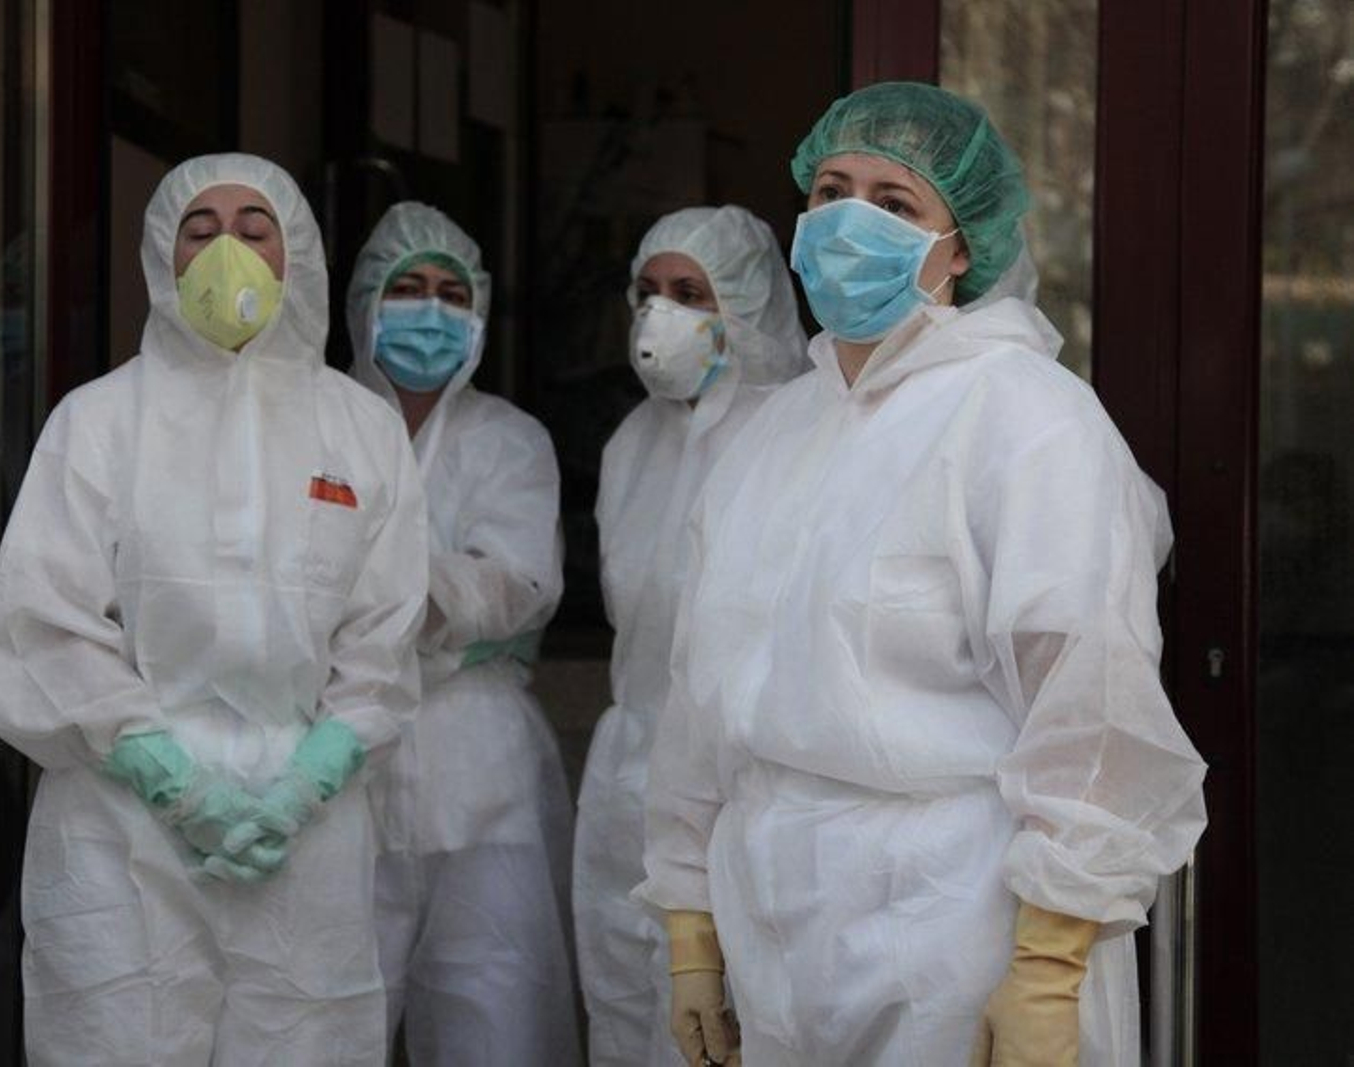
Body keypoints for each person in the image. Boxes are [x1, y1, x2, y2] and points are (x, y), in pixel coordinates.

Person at [637, 82, 1209, 1067]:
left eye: (894, 204)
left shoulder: (1026, 418)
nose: (847, 219)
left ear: (960, 248)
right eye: (827, 191)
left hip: (956, 924)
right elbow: (698, 699)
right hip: (769, 924)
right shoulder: (771, 435)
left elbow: (1092, 703)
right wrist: (690, 921)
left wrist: (1046, 961)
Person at [0, 153, 428, 1065]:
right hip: (123, 820)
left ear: (293, 254)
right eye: (202, 231)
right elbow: (45, 617)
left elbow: (384, 630)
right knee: (116, 1033)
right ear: (163, 258)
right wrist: (167, 776)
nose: (229, 250)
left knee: (305, 1036)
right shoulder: (99, 421)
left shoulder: (361, 429)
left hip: (306, 817)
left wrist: (312, 775)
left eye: (254, 230)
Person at [574, 206, 809, 1067]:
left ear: (743, 305)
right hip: (630, 765)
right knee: (626, 1005)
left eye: (690, 292)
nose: (660, 314)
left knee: (736, 1022)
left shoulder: (794, 429)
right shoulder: (633, 443)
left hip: (741, 781)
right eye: (649, 291)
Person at [346, 201, 581, 1066]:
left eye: (451, 291)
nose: (430, 309)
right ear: (365, 300)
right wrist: (432, 592)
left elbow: (512, 585)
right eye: (408, 287)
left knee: (495, 1011)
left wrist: (354, 593)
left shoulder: (509, 440)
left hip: (479, 761)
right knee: (330, 1016)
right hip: (334, 760)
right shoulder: (320, 421)